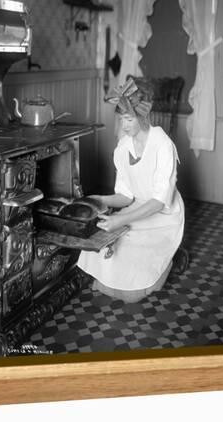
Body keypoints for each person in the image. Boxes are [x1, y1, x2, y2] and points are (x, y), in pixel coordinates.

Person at [77, 77, 185, 302]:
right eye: (121, 119)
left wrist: (119, 221)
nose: (124, 126)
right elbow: (125, 196)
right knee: (106, 243)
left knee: (133, 293)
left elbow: (158, 202)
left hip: (163, 215)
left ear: (143, 116)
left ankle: (168, 262)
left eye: (129, 119)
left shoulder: (163, 146)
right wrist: (100, 200)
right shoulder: (123, 147)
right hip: (137, 207)